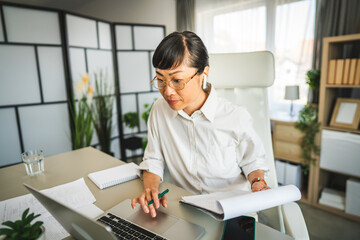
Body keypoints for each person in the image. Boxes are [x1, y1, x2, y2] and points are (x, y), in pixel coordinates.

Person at [131, 31, 270, 218]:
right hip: (187, 208)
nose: (168, 91)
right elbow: (153, 160)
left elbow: (253, 161)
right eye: (161, 80)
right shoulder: (159, 110)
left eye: (177, 80)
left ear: (203, 73)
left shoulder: (235, 116)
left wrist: (258, 182)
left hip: (232, 211)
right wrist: (150, 190)